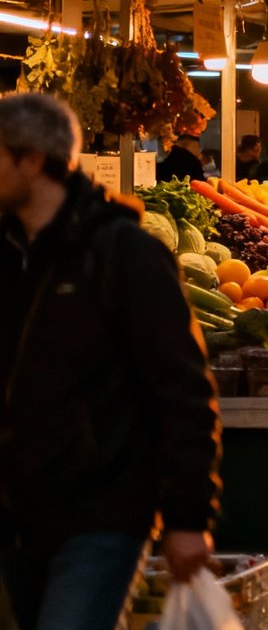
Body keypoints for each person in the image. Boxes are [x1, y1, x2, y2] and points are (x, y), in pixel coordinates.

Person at [0, 93, 221, 628]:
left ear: (32, 160)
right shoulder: (8, 255)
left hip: (100, 511)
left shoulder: (122, 252)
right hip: (16, 512)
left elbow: (183, 387)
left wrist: (189, 516)